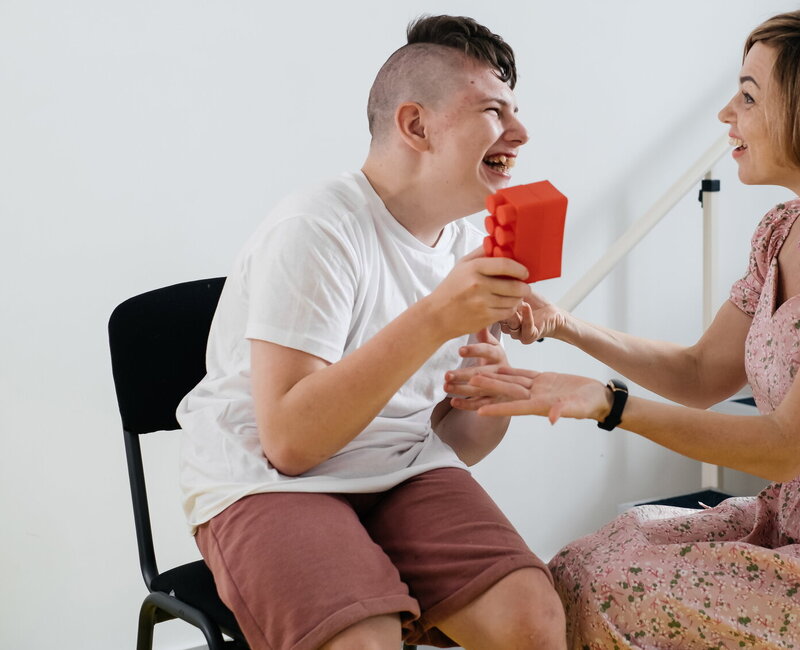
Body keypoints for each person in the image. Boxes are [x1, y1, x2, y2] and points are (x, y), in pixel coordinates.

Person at [446, 8, 800, 649]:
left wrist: (604, 404)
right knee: (594, 557)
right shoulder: (782, 231)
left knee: (616, 582)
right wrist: (564, 325)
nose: (726, 115)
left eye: (747, 96)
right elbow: (700, 374)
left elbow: (784, 445)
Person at [176, 15, 566, 650]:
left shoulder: (471, 245)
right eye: (495, 112)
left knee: (534, 621)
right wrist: (437, 315)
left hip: (402, 470)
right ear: (415, 125)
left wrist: (490, 398)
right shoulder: (317, 230)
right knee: (363, 640)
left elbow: (460, 443)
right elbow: (291, 445)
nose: (520, 134)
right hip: (271, 480)